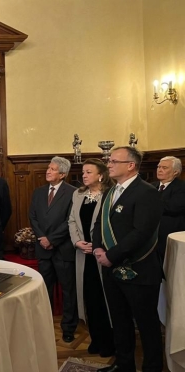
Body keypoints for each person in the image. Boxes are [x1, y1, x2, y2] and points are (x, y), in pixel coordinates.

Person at [92, 146, 163, 372]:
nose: (109, 164)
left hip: (139, 270)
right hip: (111, 270)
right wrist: (96, 249)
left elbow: (141, 232)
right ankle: (124, 366)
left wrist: (110, 255)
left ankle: (152, 368)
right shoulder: (109, 192)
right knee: (120, 322)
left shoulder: (147, 192)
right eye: (109, 160)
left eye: (114, 161)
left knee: (147, 325)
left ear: (130, 166)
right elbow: (98, 225)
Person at [68, 158, 114, 357]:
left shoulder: (109, 195)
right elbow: (71, 221)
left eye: (88, 172)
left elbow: (110, 226)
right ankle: (95, 339)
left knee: (104, 298)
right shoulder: (78, 195)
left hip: (101, 254)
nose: (84, 175)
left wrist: (96, 246)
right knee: (89, 297)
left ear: (101, 175)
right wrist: (77, 242)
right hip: (83, 254)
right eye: (83, 172)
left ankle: (109, 343)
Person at [29, 156, 78, 343]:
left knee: (68, 291)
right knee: (44, 289)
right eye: (48, 168)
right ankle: (44, 325)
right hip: (43, 249)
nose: (48, 171)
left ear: (63, 174)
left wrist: (52, 239)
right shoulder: (38, 192)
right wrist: (42, 238)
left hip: (63, 249)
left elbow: (70, 221)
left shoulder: (73, 193)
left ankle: (68, 328)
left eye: (53, 169)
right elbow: (32, 216)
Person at [151, 156, 185, 261]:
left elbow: (172, 207)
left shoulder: (182, 187)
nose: (159, 170)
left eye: (164, 168)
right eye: (158, 167)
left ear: (175, 172)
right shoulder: (151, 186)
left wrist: (148, 204)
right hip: (150, 236)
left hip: (169, 235)